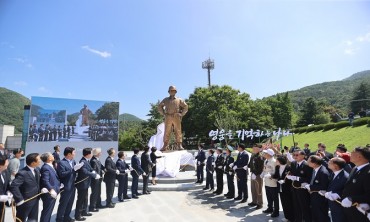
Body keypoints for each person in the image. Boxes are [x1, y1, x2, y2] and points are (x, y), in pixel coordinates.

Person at [341, 146, 370, 221]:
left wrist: (352, 199)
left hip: (361, 212)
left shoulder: (368, 172)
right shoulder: (355, 168)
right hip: (350, 210)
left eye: (352, 152)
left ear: (359, 156)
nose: (350, 154)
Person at [10, 153, 41, 222]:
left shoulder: (37, 170)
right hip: (25, 202)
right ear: (33, 163)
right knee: (20, 219)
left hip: (35, 200)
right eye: (39, 159)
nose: (40, 161)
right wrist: (19, 199)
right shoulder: (22, 173)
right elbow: (14, 186)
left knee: (33, 219)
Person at [157, 86, 188, 151]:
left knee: (178, 130)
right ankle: (165, 145)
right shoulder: (165, 100)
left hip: (176, 116)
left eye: (173, 91)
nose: (172, 92)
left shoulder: (179, 99)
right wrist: (163, 113)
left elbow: (185, 106)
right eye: (171, 91)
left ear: (175, 92)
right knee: (167, 131)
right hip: (168, 116)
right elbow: (160, 106)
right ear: (168, 92)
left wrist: (181, 114)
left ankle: (179, 144)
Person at [286, 149, 313, 222]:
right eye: (293, 155)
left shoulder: (307, 165)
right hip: (294, 188)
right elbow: (292, 172)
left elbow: (309, 178)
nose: (295, 156)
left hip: (303, 189)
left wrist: (298, 178)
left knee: (305, 207)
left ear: (303, 156)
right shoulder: (293, 163)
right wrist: (289, 175)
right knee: (296, 206)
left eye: (297, 155)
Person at [56, 147, 82, 222]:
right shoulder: (61, 163)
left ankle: (66, 217)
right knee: (63, 204)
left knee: (70, 203)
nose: (75, 154)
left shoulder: (73, 161)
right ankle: (59, 219)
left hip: (72, 186)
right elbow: (61, 174)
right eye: (74, 152)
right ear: (69, 154)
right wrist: (73, 169)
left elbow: (74, 172)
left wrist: (78, 168)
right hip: (66, 187)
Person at [75, 148, 100, 221]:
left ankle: (84, 211)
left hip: (86, 184)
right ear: (88, 154)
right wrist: (94, 175)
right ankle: (78, 215)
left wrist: (94, 172)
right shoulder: (82, 161)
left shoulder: (87, 161)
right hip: (82, 184)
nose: (92, 154)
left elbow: (91, 168)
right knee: (80, 200)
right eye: (91, 153)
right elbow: (84, 172)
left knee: (85, 199)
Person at [305, 155, 330, 222]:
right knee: (315, 214)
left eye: (309, 161)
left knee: (321, 215)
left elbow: (324, 186)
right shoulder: (315, 170)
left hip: (320, 198)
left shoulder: (323, 172)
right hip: (314, 197)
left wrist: (310, 187)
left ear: (314, 163)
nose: (307, 162)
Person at [324, 157, 348, 222]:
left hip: (339, 205)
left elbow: (346, 190)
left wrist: (337, 194)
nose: (328, 163)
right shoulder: (334, 173)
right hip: (333, 204)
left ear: (336, 166)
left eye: (330, 162)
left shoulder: (344, 176)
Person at [272, 155, 295, 222]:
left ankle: (292, 218)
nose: (276, 161)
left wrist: (285, 181)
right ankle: (286, 216)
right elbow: (276, 175)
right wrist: (271, 176)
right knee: (283, 202)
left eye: (277, 160)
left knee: (289, 203)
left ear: (280, 161)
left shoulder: (289, 168)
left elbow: (292, 178)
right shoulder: (277, 167)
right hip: (280, 188)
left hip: (288, 188)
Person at [40, 152, 61, 222]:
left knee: (49, 211)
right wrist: (51, 189)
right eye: (51, 155)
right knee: (47, 212)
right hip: (49, 193)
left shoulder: (50, 166)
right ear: (49, 159)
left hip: (54, 191)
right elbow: (45, 181)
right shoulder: (46, 167)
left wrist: (59, 185)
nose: (53, 156)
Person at [261, 149, 279, 218]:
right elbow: (265, 169)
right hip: (267, 181)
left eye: (265, 153)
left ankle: (276, 211)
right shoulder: (266, 160)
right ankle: (270, 208)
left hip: (272, 182)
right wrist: (263, 173)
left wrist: (270, 175)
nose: (264, 154)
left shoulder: (274, 161)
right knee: (268, 196)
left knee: (275, 197)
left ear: (269, 154)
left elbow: (275, 171)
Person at [248, 144, 264, 209]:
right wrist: (248, 167)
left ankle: (260, 203)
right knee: (253, 188)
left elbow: (261, 167)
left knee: (258, 189)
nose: (253, 149)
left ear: (258, 149)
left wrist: (256, 173)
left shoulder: (260, 156)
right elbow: (250, 164)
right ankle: (254, 201)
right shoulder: (253, 155)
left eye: (255, 148)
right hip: (253, 174)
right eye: (253, 148)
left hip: (258, 175)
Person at [0, 155, 10, 222]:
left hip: (1, 206)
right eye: (6, 165)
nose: (7, 166)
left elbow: (7, 185)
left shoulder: (5, 172)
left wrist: (9, 192)